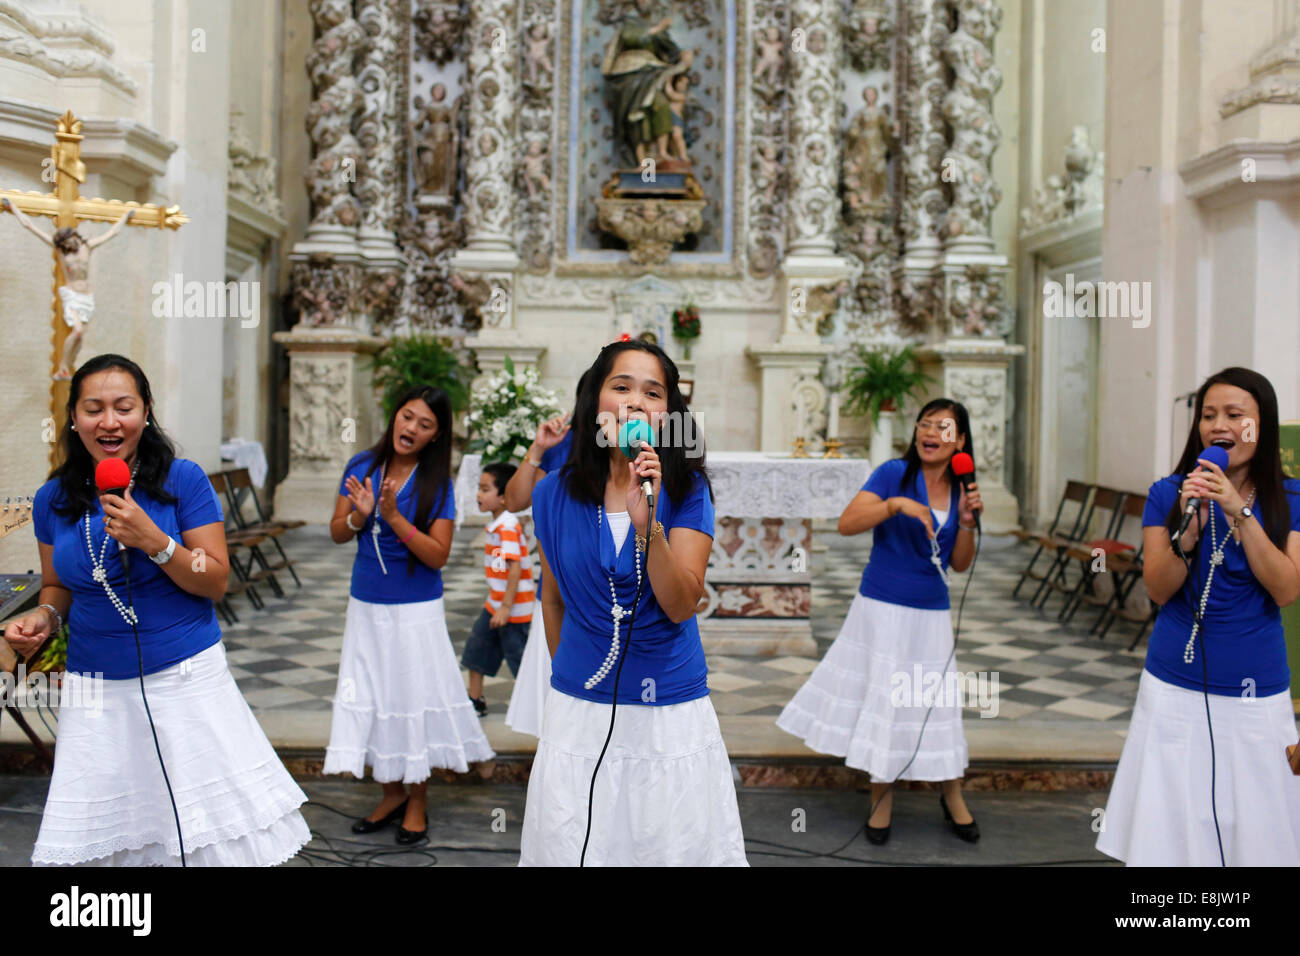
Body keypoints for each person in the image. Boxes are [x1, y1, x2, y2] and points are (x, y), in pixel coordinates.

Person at [4, 353, 310, 865]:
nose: (109, 421)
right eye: (94, 408)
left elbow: (215, 580)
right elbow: (57, 586)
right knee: (112, 834)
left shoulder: (183, 481)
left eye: (123, 407)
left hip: (185, 681)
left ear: (145, 413)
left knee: (206, 836)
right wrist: (44, 618)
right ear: (73, 418)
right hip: (96, 687)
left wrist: (155, 541)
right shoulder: (52, 498)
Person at [519, 340, 747, 866]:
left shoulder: (687, 490)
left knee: (663, 844)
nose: (637, 403)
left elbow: (681, 603)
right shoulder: (553, 493)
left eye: (653, 393)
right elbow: (552, 599)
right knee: (577, 842)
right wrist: (573, 678)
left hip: (666, 706)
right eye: (621, 387)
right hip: (578, 706)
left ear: (668, 415)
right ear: (595, 402)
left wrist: (649, 531)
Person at [1097, 367, 1300, 865]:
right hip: (1173, 686)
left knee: (1255, 831)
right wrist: (1186, 532)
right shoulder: (1169, 493)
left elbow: (1287, 588)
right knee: (1169, 826)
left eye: (1235, 414)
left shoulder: (1291, 498)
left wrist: (1239, 513)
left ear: (1262, 424)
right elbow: (1159, 589)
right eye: (1208, 415)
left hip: (1254, 687)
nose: (1218, 425)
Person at [777, 398, 982, 845]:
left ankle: (952, 794)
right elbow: (848, 522)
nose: (930, 432)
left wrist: (965, 523)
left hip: (931, 613)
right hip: (883, 608)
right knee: (887, 702)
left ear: (960, 441)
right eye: (924, 423)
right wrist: (894, 507)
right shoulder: (894, 474)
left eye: (943, 427)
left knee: (935, 703)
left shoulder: (964, 487)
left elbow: (961, 564)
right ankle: (880, 798)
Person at [323, 384, 494, 846]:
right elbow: (338, 532)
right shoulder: (361, 466)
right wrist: (360, 517)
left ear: (436, 436)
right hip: (366, 605)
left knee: (410, 701)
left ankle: (417, 802)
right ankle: (391, 793)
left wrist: (394, 517)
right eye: (407, 416)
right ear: (394, 416)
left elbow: (438, 555)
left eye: (425, 424)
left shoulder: (436, 484)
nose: (412, 428)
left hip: (414, 612)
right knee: (377, 698)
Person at [502, 392, 579, 738]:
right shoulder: (564, 443)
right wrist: (538, 449)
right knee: (557, 717)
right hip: (557, 594)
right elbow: (515, 500)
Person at [463, 462, 534, 716]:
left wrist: (505, 607)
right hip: (496, 604)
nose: (478, 495)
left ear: (503, 498)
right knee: (476, 648)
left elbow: (514, 568)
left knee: (520, 660)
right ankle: (474, 700)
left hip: (513, 609)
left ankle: (538, 707)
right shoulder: (497, 526)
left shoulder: (507, 527)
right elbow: (502, 568)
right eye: (479, 489)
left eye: (485, 489)